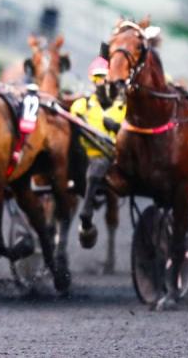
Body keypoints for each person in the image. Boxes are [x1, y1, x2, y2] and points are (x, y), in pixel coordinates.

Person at [70, 57, 125, 241]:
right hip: (84, 159)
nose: (101, 82)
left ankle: (87, 216)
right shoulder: (82, 104)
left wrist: (117, 128)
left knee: (98, 165)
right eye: (98, 77)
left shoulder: (122, 106)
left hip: (111, 160)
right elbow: (73, 118)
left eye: (105, 77)